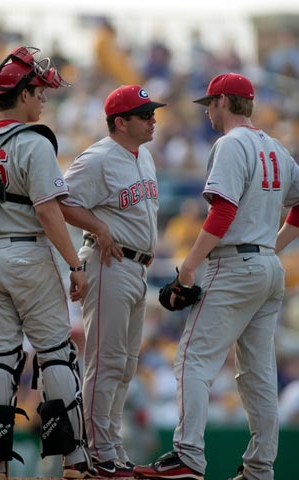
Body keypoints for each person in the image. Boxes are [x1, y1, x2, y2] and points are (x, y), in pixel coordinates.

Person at [133, 72, 299, 480]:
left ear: (224, 101)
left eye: (210, 103)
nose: (207, 110)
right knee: (257, 374)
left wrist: (188, 267)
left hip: (235, 265)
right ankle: (260, 469)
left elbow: (222, 212)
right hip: (266, 268)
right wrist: (270, 249)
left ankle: (187, 457)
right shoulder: (277, 148)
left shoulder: (230, 144)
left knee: (191, 359)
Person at [0, 46, 96, 480]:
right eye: (40, 91)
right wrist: (74, 264)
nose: (44, 99)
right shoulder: (33, 141)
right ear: (23, 93)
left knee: (0, 359)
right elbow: (49, 211)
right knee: (55, 354)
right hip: (27, 253)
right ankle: (74, 460)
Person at [60, 84, 166, 477]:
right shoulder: (99, 157)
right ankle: (95, 450)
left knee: (124, 366)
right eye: (144, 114)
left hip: (137, 269)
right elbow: (61, 200)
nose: (153, 119)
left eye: (152, 112)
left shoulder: (145, 155)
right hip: (109, 263)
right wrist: (99, 226)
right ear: (120, 122)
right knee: (105, 363)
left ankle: (110, 445)